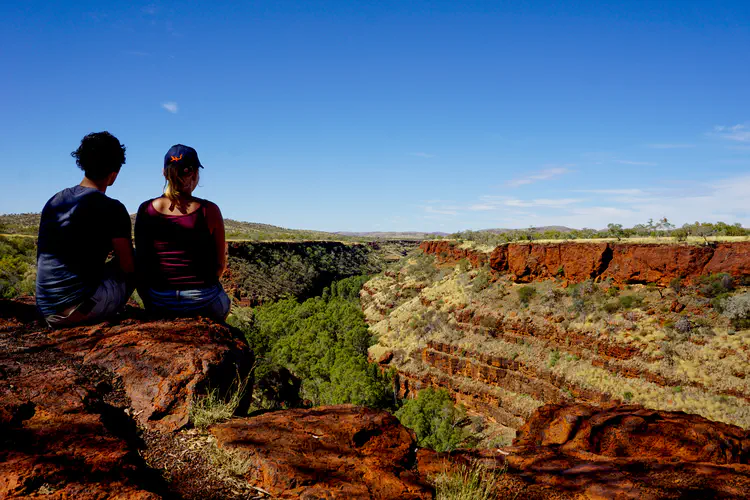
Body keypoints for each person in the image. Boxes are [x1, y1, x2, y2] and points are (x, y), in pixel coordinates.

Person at [36, 131, 135, 327]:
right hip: (78, 311)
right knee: (137, 258)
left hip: (46, 309)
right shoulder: (112, 208)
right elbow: (128, 267)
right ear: (114, 172)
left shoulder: (56, 200)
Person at [135, 144, 230, 321]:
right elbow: (219, 267)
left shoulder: (146, 209)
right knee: (223, 301)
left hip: (160, 301)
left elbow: (141, 263)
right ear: (194, 174)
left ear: (165, 173)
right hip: (203, 302)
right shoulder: (209, 210)